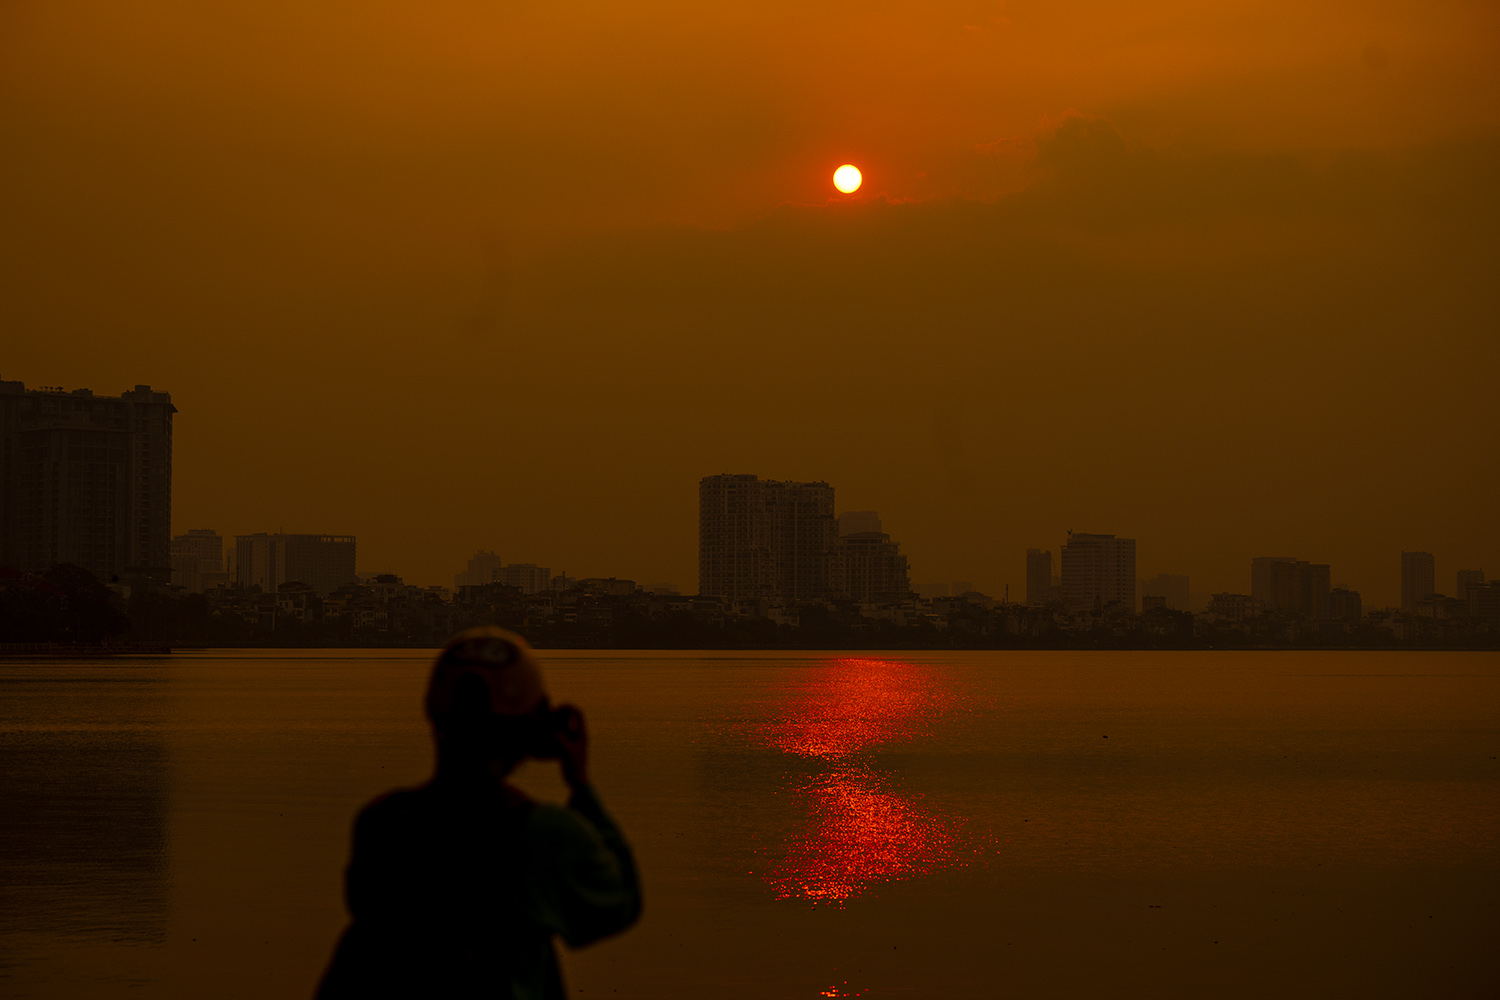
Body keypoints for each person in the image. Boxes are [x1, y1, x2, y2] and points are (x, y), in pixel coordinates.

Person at [317, 627, 641, 999]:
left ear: (433, 713)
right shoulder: (544, 834)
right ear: (532, 724)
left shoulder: (382, 824)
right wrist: (580, 785)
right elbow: (619, 902)